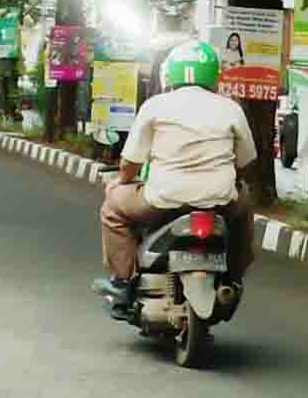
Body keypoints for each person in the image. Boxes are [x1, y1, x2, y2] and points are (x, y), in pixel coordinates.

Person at [93, 40, 257, 306]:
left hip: (162, 199)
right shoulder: (231, 108)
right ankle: (233, 277)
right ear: (215, 75)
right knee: (244, 210)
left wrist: (119, 184)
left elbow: (129, 164)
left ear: (170, 74)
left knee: (112, 209)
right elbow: (247, 159)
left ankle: (122, 283)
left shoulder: (155, 106)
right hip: (220, 201)